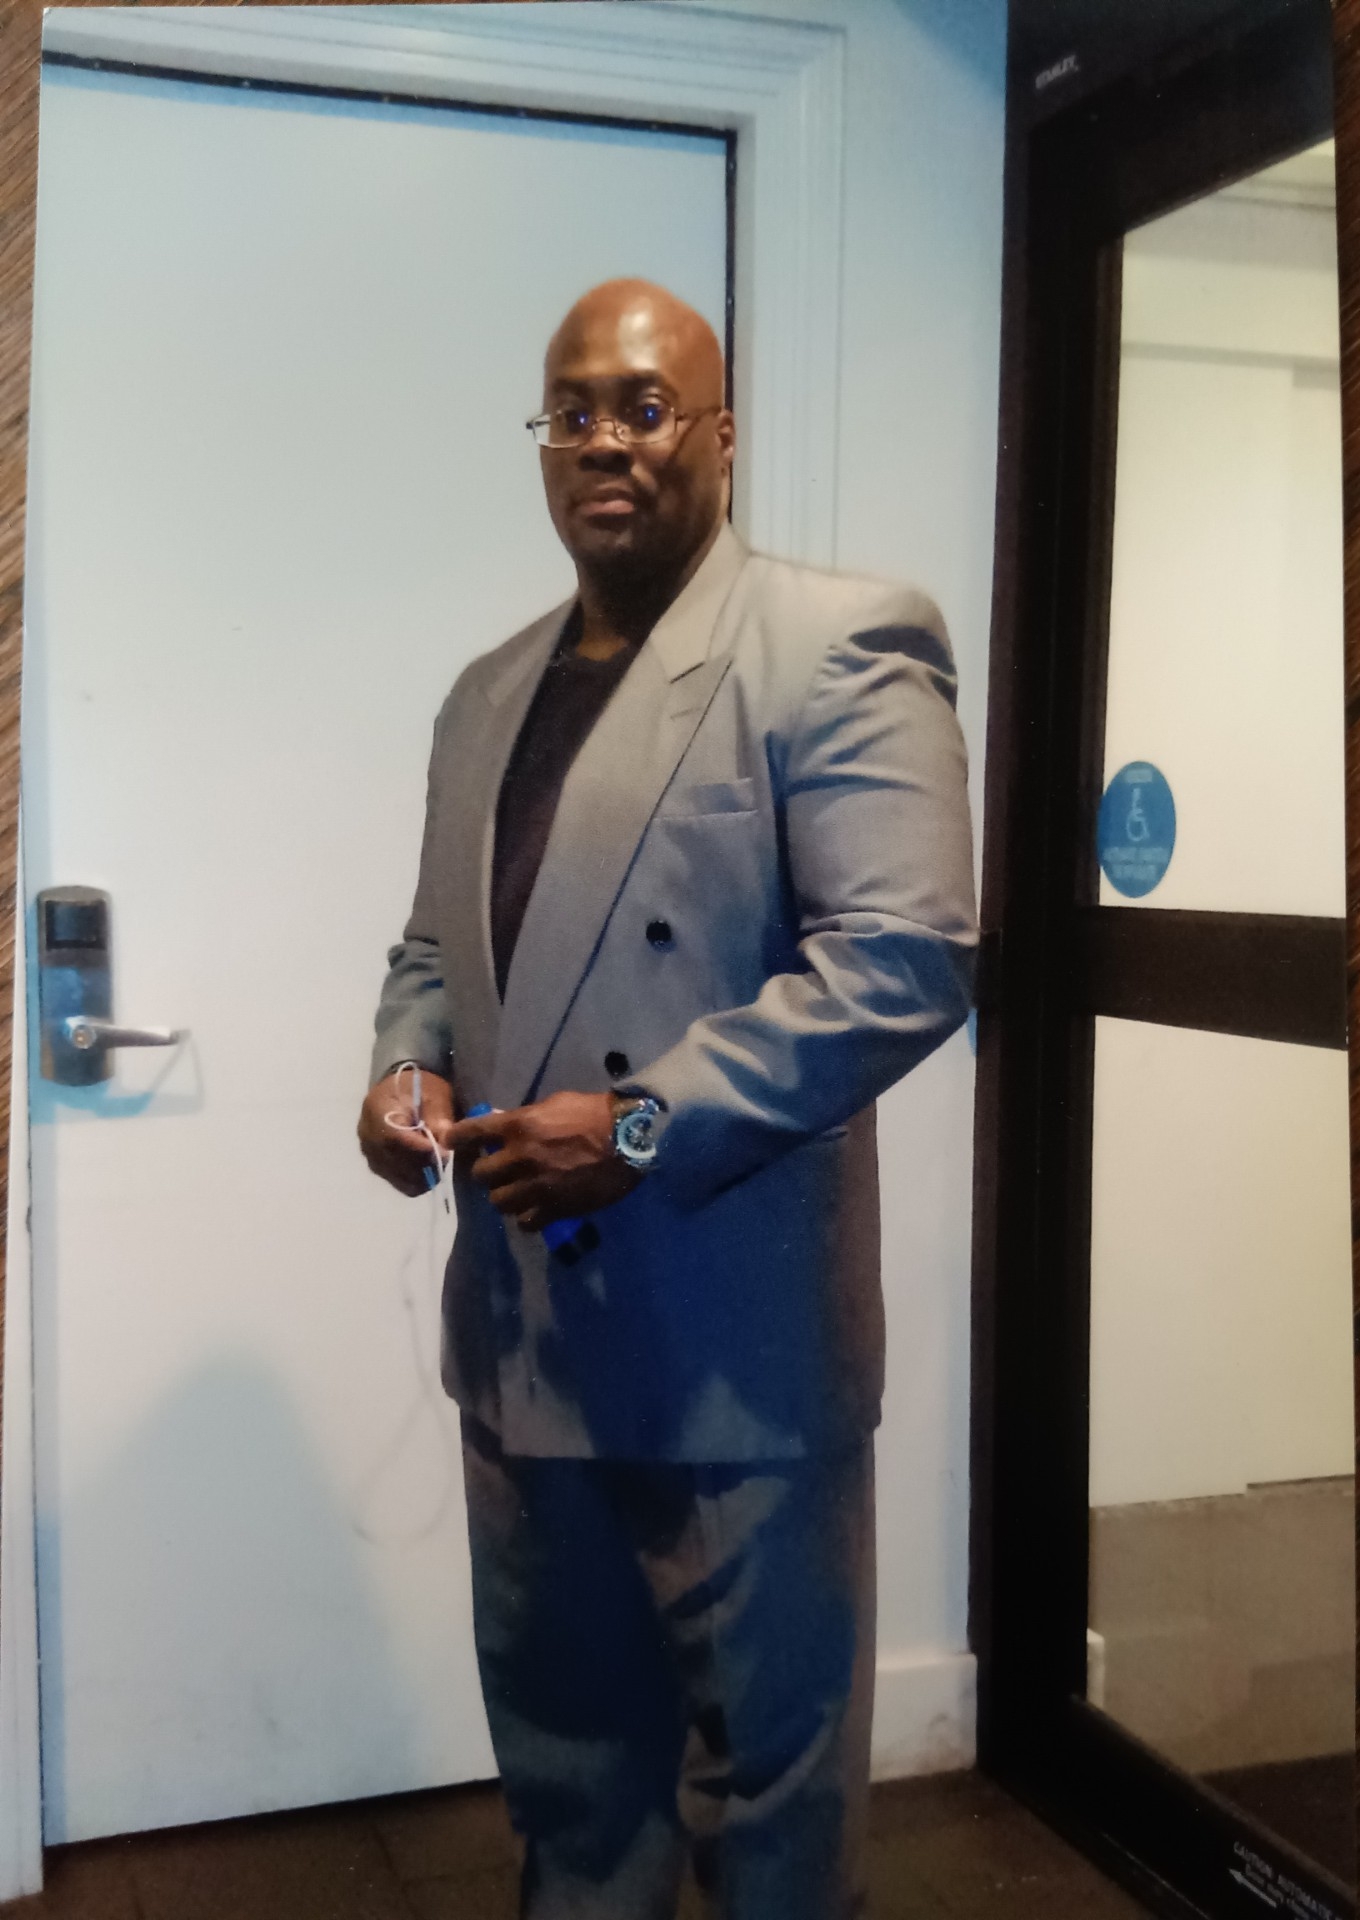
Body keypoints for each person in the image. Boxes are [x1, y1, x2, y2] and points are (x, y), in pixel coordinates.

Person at [357, 278, 978, 1919]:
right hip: (524, 1337)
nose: (605, 442)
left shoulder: (838, 643)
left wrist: (641, 1125)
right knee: (570, 1790)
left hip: (737, 1354)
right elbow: (434, 946)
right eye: (572, 411)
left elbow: (905, 960)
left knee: (773, 1813)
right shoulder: (485, 692)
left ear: (720, 434)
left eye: (643, 407)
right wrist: (407, 1062)